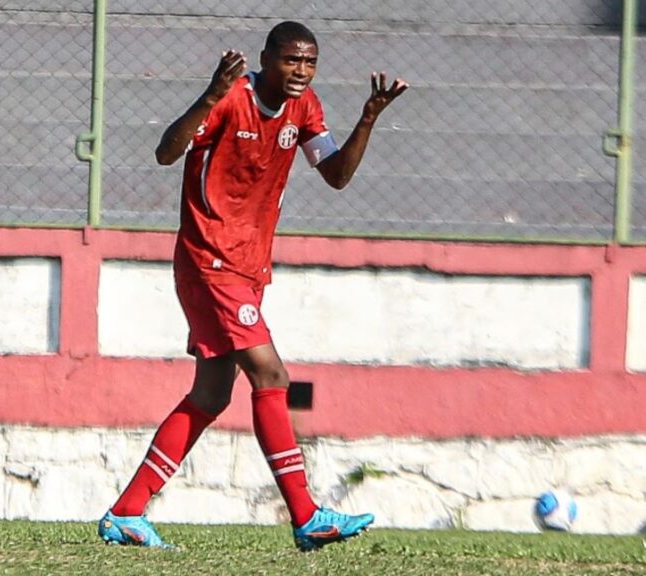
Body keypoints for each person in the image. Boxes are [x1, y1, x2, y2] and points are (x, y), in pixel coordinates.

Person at [97, 21, 408, 552]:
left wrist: (367, 120)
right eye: (291, 61)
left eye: (310, 63)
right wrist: (211, 93)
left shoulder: (305, 106)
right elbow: (166, 153)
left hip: (247, 266)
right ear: (267, 59)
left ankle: (126, 512)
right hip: (209, 259)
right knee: (270, 372)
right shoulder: (229, 101)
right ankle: (306, 515)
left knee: (211, 395)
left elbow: (335, 174)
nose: (301, 72)